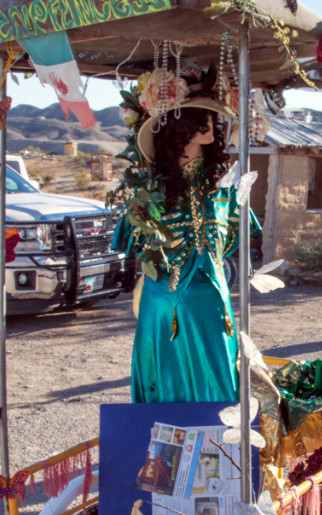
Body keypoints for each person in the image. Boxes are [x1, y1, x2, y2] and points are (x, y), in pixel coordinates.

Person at [112, 80, 261, 403]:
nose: (209, 124)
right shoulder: (148, 192)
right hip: (160, 305)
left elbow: (232, 240)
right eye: (197, 116)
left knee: (217, 377)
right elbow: (135, 244)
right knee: (164, 383)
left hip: (209, 301)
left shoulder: (225, 187)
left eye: (211, 116)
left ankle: (219, 448)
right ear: (178, 126)